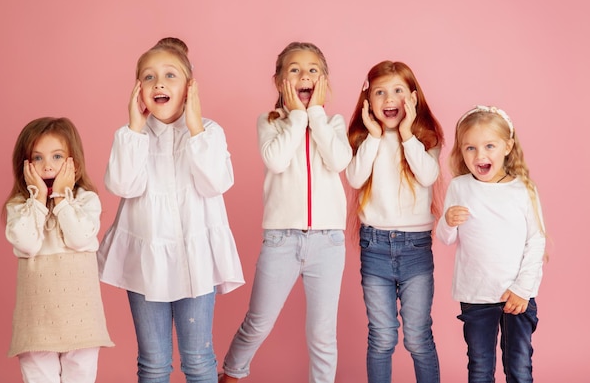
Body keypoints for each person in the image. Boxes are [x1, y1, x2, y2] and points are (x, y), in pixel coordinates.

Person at [97, 37, 244, 383]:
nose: (158, 83)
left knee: (198, 359)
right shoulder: (133, 136)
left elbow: (215, 183)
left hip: (195, 264)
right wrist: (133, 127)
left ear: (190, 87)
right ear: (138, 90)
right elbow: (122, 185)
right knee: (152, 362)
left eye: (169, 75)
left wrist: (194, 126)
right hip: (145, 265)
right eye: (148, 77)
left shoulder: (207, 131)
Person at [219, 42, 351, 383]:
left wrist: (316, 116)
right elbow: (276, 160)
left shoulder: (334, 123)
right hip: (281, 240)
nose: (304, 75)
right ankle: (232, 374)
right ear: (280, 82)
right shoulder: (270, 122)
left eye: (312, 70)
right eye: (294, 69)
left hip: (328, 242)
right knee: (259, 320)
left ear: (324, 81)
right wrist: (296, 118)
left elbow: (339, 161)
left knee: (323, 334)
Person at [346, 61, 444, 383]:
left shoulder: (425, 138)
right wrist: (374, 137)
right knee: (382, 337)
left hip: (415, 248)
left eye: (398, 91)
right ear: (368, 101)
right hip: (374, 246)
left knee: (417, 337)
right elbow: (355, 177)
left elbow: (429, 175)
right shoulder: (366, 140)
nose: (390, 99)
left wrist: (406, 135)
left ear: (413, 99)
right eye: (381, 92)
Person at [436, 105, 546, 383]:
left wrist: (522, 290)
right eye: (470, 148)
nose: (480, 155)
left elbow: (536, 241)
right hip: (476, 295)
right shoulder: (459, 187)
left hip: (517, 297)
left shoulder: (523, 189)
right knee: (480, 369)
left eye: (489, 146)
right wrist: (448, 221)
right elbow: (446, 238)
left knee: (519, 369)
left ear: (507, 147)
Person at [4, 117, 114, 383]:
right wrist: (39, 199)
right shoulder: (20, 206)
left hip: (81, 318)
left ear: (73, 161)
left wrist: (63, 199)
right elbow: (27, 243)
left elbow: (78, 239)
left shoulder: (86, 200)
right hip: (36, 320)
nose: (48, 165)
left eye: (56, 156)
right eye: (38, 158)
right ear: (25, 163)